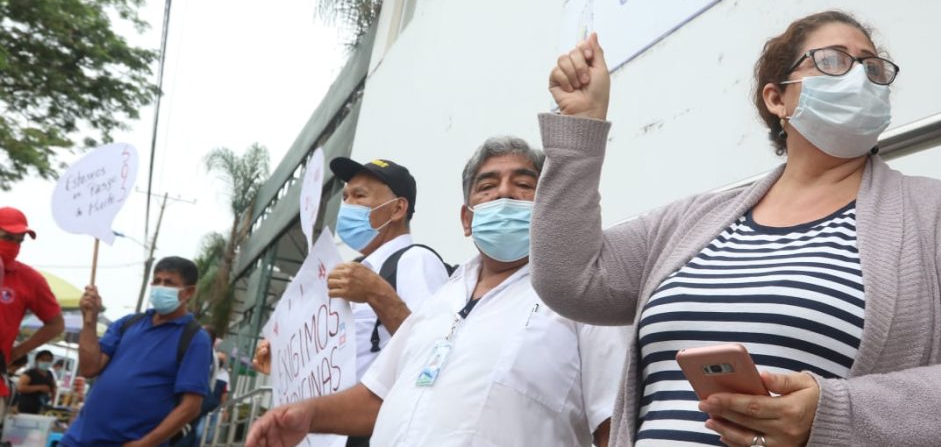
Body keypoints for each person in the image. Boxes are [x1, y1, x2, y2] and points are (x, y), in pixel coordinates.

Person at [531, 13, 941, 447]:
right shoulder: (693, 220)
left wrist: (832, 415)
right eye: (832, 61)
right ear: (777, 100)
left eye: (873, 68)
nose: (859, 76)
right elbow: (570, 278)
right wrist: (580, 129)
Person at [246, 137, 626, 447]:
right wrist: (308, 414)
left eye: (524, 185)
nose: (503, 194)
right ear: (466, 219)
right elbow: (377, 395)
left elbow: (613, 424)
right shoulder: (441, 300)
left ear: (549, 207)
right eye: (488, 186)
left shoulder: (582, 297)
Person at [252, 157, 451, 446]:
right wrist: (283, 359)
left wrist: (376, 293)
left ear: (397, 208)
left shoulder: (415, 261)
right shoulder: (350, 270)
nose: (348, 205)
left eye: (360, 196)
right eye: (345, 196)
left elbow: (435, 353)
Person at [63, 256, 213, 446]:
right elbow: (89, 368)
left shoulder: (194, 339)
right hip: (78, 439)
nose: (160, 288)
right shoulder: (128, 324)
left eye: (169, 283)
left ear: (188, 292)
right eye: (157, 281)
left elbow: (191, 407)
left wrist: (145, 444)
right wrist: (89, 319)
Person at [0, 207, 64, 416]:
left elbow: (56, 324)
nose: (14, 246)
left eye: (20, 241)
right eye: (8, 237)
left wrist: (17, 352)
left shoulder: (29, 279)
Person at [15, 349, 56, 414]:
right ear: (37, 360)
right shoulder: (30, 373)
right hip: (25, 407)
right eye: (43, 359)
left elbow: (53, 388)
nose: (45, 362)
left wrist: (52, 402)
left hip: (41, 408)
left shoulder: (49, 373)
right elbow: (20, 387)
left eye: (48, 360)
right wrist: (39, 387)